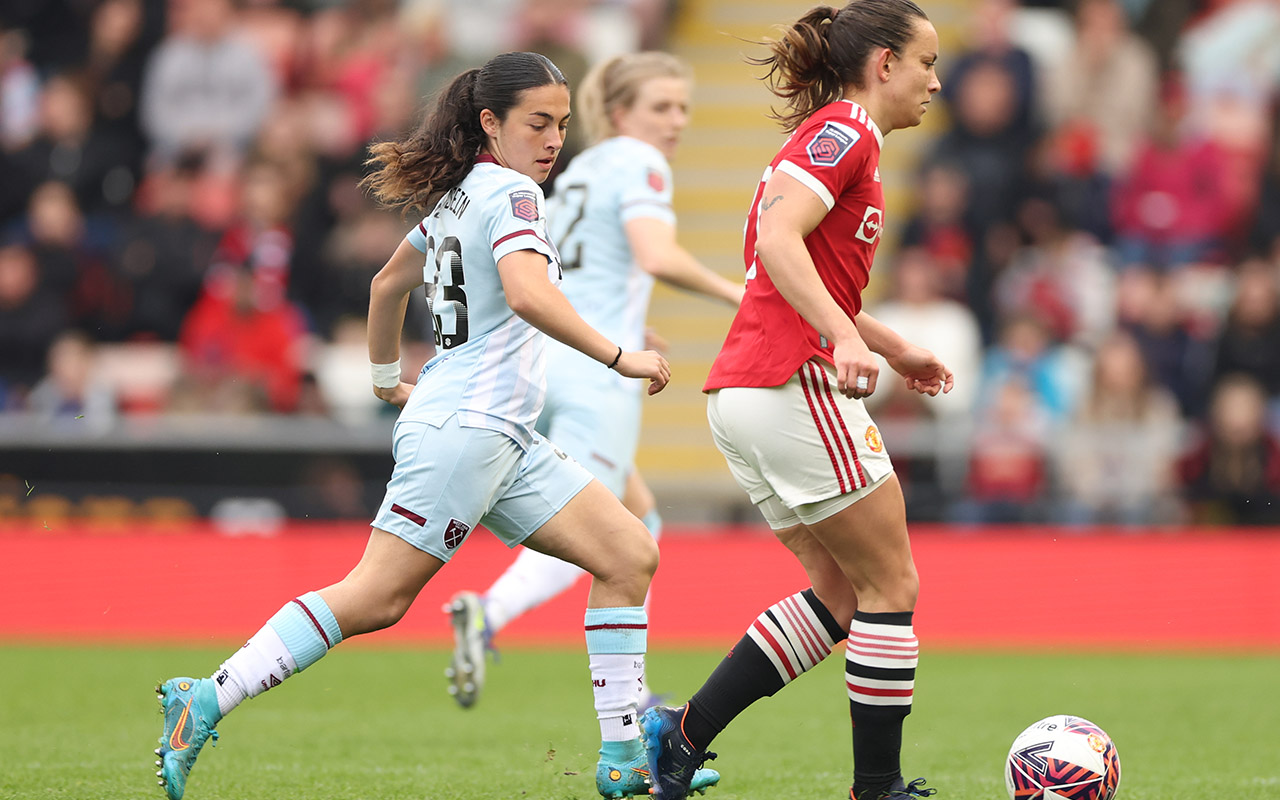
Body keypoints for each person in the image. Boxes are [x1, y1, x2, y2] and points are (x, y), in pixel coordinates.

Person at [151, 51, 701, 800]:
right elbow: (528, 294)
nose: (552, 139)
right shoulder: (512, 195)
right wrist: (619, 356)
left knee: (629, 553)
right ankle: (209, 695)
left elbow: (387, 285)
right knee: (376, 597)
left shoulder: (460, 196)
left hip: (495, 432)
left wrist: (387, 382)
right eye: (537, 123)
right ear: (489, 122)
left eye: (562, 125)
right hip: (469, 429)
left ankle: (624, 760)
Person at [638, 3, 953, 800]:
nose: (936, 80)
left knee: (843, 596)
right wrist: (843, 342)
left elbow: (794, 263)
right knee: (893, 588)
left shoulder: (840, 137)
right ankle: (876, 788)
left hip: (748, 391)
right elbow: (778, 243)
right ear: (884, 64)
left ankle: (679, 738)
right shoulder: (844, 131)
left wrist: (887, 343)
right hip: (789, 383)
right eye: (926, 62)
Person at [440, 50, 743, 712]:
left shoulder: (575, 174)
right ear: (619, 113)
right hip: (599, 378)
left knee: (639, 518)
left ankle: (632, 697)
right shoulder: (640, 163)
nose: (678, 121)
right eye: (661, 107)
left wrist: (630, 324)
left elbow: (570, 273)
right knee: (600, 535)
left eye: (684, 108)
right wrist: (739, 294)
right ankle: (489, 612)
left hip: (551, 359)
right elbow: (653, 254)